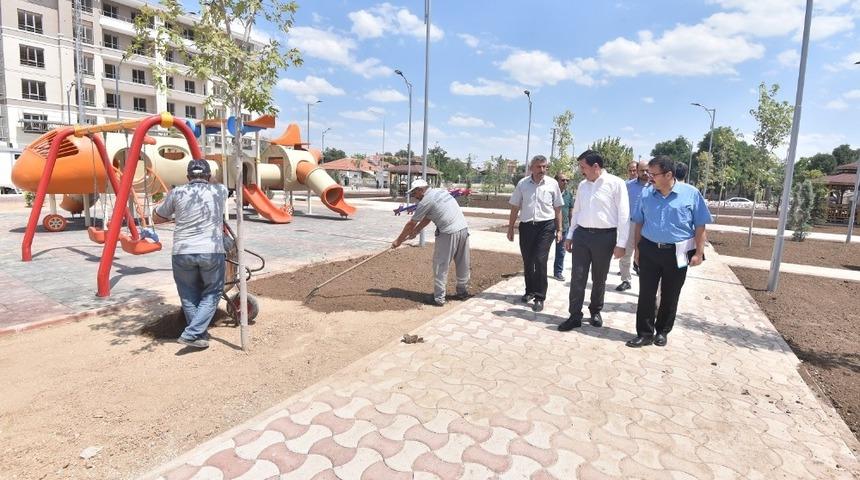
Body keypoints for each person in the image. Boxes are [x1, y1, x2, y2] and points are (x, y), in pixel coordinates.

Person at [626, 156, 712, 348]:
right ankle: (644, 333)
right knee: (646, 293)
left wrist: (698, 253)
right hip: (649, 249)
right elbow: (639, 223)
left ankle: (662, 331)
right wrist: (637, 250)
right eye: (648, 173)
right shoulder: (646, 194)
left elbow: (700, 225)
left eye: (653, 174)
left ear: (668, 175)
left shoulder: (691, 194)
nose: (649, 177)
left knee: (670, 294)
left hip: (677, 253)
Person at [153, 159, 228, 349]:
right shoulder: (220, 190)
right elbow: (217, 183)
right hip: (211, 251)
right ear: (209, 176)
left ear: (188, 177)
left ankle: (198, 336)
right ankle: (191, 333)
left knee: (188, 295)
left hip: (182, 252)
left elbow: (159, 217)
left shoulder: (177, 192)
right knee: (213, 292)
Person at [558, 151, 629, 331]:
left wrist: (621, 244)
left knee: (599, 277)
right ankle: (574, 315)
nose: (581, 171)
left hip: (605, 238)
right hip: (582, 236)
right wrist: (570, 235)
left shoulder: (616, 183)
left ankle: (595, 310)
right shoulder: (583, 185)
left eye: (583, 167)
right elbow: (577, 212)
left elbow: (624, 215)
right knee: (577, 277)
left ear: (595, 166)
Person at [392, 178, 470, 306]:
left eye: (414, 193)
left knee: (440, 265)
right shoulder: (440, 191)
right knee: (463, 263)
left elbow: (411, 223)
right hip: (463, 230)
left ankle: (438, 298)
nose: (414, 196)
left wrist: (398, 241)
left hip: (448, 233)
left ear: (420, 190)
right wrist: (416, 231)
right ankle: (463, 292)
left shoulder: (425, 201)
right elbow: (429, 217)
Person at [507, 155, 563, 313]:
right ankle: (529, 291)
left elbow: (558, 208)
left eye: (545, 167)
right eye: (539, 167)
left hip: (546, 226)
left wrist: (559, 229)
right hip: (527, 227)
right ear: (531, 168)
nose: (542, 170)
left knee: (540, 259)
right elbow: (515, 207)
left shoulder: (552, 184)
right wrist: (511, 228)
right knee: (528, 260)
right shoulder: (522, 184)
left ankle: (540, 296)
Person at [616, 160, 649, 291]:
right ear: (637, 171)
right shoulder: (627, 185)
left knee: (646, 255)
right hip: (630, 224)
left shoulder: (655, 186)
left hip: (648, 226)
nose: (645, 173)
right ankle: (625, 279)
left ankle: (646, 285)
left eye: (647, 170)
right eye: (642, 170)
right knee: (626, 253)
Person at [553, 173, 574, 282]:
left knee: (561, 251)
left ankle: (558, 272)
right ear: (556, 181)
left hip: (564, 227)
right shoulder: (551, 193)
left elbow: (571, 212)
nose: (565, 182)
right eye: (563, 180)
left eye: (567, 180)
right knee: (542, 250)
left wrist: (571, 228)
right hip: (549, 226)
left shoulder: (569, 195)